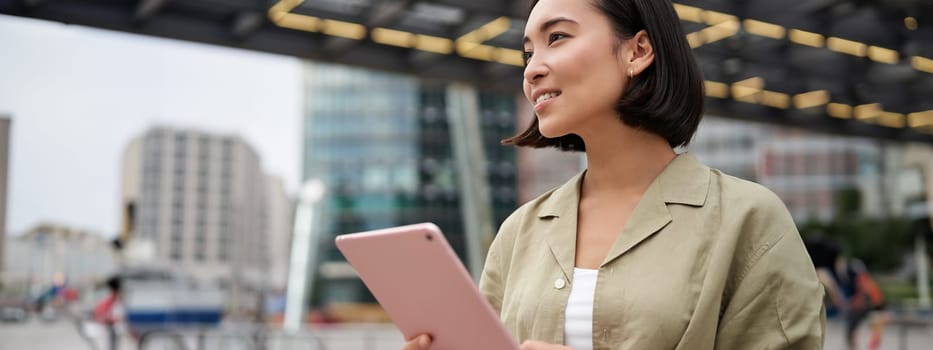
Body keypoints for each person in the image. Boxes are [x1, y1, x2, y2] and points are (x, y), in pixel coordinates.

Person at [403, 0, 825, 348]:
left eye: (558, 38)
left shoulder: (747, 219)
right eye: (529, 53)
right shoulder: (519, 231)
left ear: (638, 51)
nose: (532, 69)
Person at [809, 237, 886, 350]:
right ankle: (856, 342)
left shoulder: (853, 270)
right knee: (853, 329)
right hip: (863, 303)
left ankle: (859, 342)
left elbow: (867, 291)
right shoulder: (843, 272)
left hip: (869, 303)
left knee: (860, 326)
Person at [93, 276, 123, 350]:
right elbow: (101, 315)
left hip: (112, 329)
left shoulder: (112, 299)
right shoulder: (110, 300)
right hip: (109, 329)